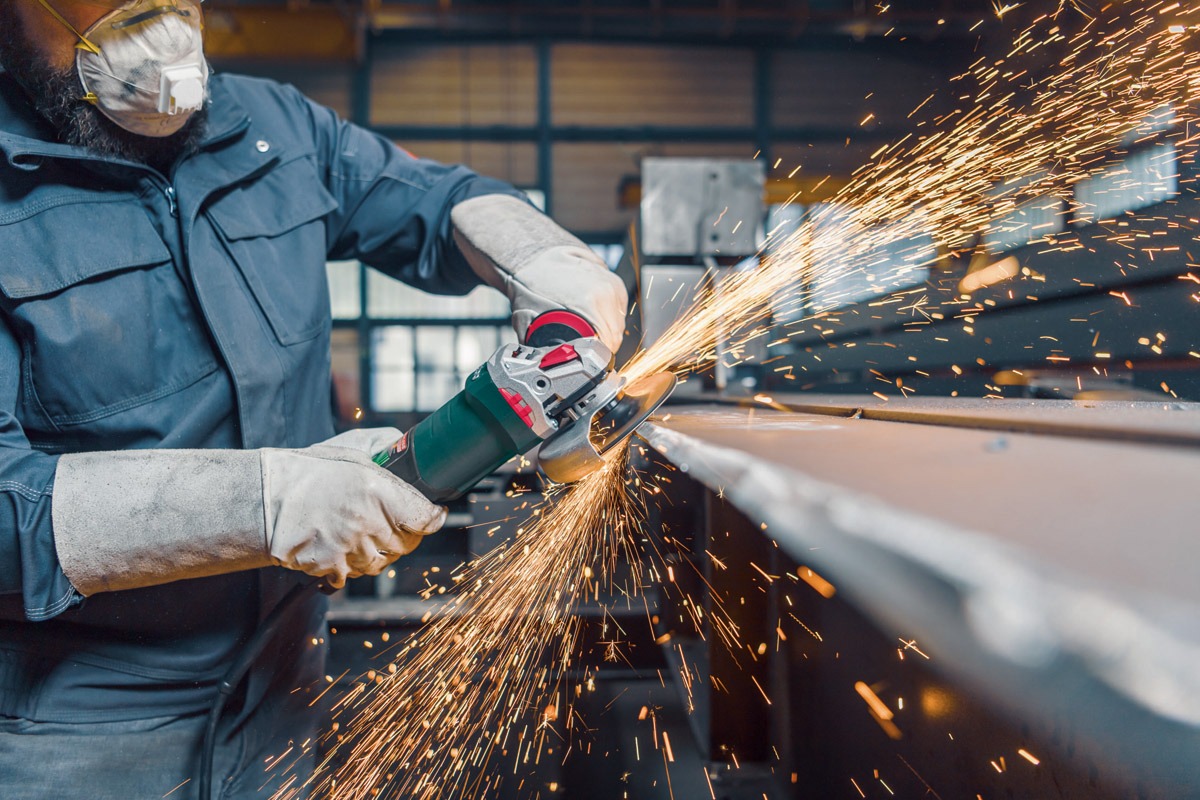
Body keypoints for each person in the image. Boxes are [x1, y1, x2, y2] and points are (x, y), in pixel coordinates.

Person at [0, 0, 629, 796]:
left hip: (283, 692)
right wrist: (266, 504)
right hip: (77, 733)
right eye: (116, 4)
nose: (156, 22)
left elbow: (437, 201)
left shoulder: (274, 126)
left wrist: (539, 259)